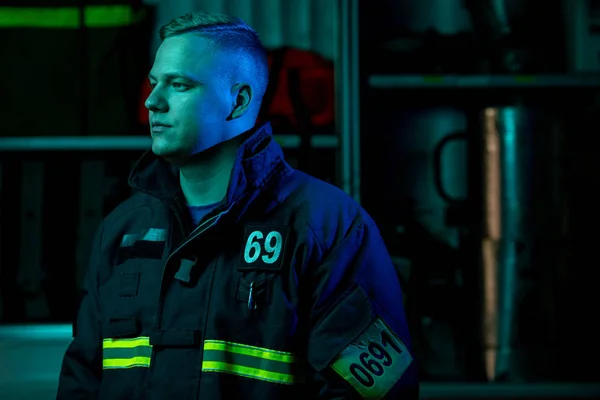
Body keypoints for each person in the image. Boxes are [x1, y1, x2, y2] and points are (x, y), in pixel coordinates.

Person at [57, 11, 419, 400]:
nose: (153, 102)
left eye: (179, 85)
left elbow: (374, 393)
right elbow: (83, 380)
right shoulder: (123, 230)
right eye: (153, 83)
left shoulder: (326, 227)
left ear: (238, 101)